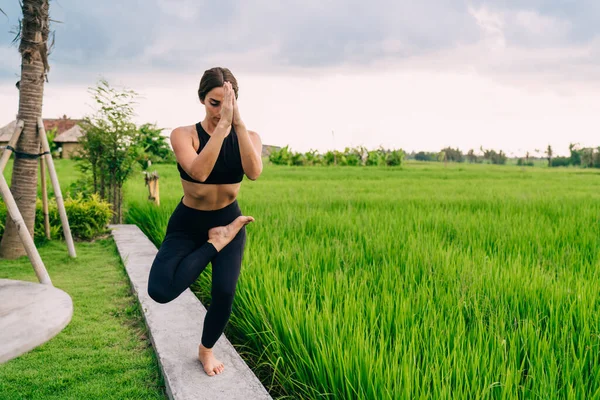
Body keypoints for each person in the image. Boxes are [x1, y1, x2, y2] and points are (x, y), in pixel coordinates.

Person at [147, 67, 263, 377]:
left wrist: (236, 125)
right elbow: (199, 172)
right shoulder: (183, 135)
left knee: (224, 293)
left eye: (227, 103)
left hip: (229, 218)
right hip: (189, 223)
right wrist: (222, 124)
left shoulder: (248, 137)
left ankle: (206, 351)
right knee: (160, 289)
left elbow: (253, 172)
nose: (220, 109)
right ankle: (216, 242)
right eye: (214, 102)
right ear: (202, 99)